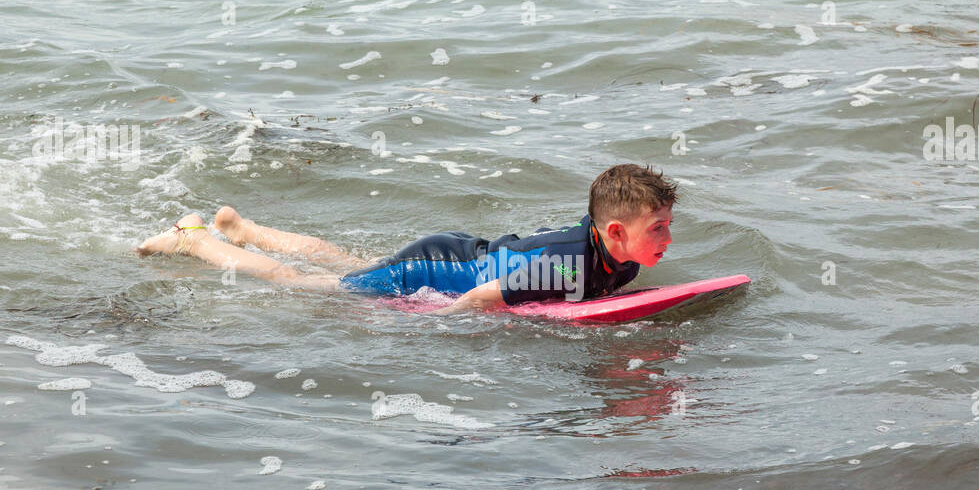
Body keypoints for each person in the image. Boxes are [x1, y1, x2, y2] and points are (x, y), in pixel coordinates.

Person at [134, 163, 677, 315]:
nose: (667, 237)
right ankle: (195, 240)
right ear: (613, 232)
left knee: (358, 263)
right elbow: (486, 296)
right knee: (314, 287)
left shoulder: (619, 261)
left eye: (667, 225)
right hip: (436, 270)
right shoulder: (571, 267)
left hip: (459, 251)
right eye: (658, 228)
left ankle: (244, 229)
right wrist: (436, 321)